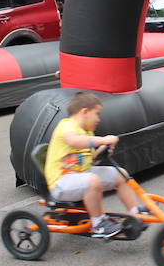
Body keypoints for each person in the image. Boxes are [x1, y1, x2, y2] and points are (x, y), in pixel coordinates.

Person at [43, 91, 147, 237]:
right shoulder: (67, 125)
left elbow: (91, 160)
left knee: (120, 174)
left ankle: (135, 211)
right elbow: (74, 141)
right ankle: (99, 224)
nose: (98, 119)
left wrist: (103, 151)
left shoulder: (87, 134)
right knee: (93, 181)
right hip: (61, 182)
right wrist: (103, 140)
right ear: (84, 111)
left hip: (81, 175)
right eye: (96, 114)